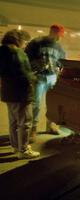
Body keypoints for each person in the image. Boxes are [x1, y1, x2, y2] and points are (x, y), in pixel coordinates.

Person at [0, 29, 40, 159]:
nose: (26, 44)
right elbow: (24, 75)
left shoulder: (2, 51)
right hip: (21, 94)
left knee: (13, 121)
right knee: (25, 122)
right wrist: (34, 78)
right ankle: (23, 151)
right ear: (19, 40)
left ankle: (15, 146)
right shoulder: (17, 53)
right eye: (25, 41)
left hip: (8, 93)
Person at [25, 24, 66, 141]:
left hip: (52, 77)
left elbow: (61, 62)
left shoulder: (59, 47)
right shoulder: (36, 43)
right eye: (59, 35)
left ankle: (50, 126)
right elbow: (27, 57)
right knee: (36, 104)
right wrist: (35, 66)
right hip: (39, 77)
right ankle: (33, 129)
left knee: (52, 103)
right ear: (52, 32)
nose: (60, 38)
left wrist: (60, 68)